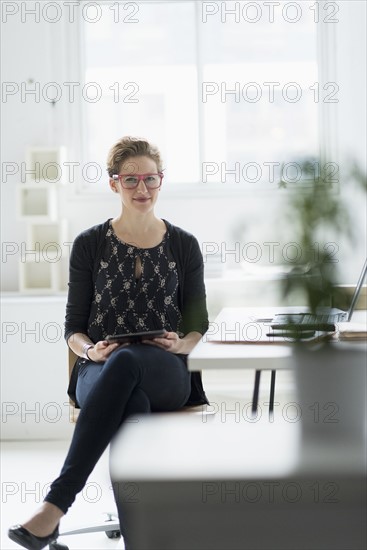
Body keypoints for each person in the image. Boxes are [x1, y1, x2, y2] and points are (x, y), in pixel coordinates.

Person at [8, 136, 209, 550]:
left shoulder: (184, 244)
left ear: (161, 181)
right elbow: (73, 328)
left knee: (131, 365)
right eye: (131, 179)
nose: (142, 188)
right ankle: (141, 540)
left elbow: (197, 327)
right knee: (126, 392)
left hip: (166, 369)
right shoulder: (89, 244)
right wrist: (89, 350)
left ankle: (54, 507)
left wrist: (179, 343)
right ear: (114, 184)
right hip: (98, 367)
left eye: (150, 179)